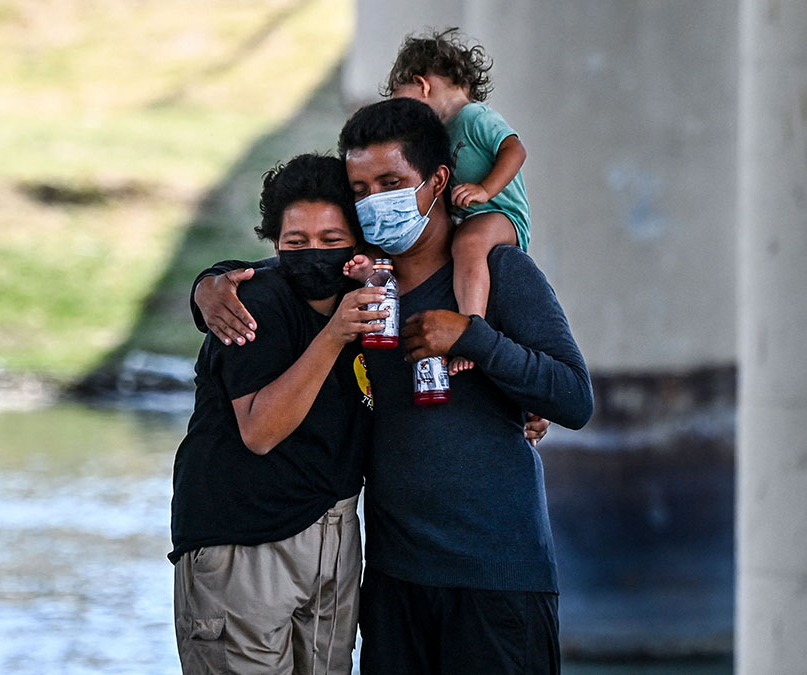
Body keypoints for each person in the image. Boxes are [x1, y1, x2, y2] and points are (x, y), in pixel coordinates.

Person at [195, 98, 593, 673]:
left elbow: (574, 398)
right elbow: (280, 264)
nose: (374, 201)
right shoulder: (350, 284)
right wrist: (206, 288)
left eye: (391, 181)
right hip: (392, 585)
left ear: (437, 181)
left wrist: (473, 338)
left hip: (498, 581)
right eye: (360, 189)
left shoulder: (500, 272)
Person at [170, 153, 387, 675]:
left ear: (358, 242)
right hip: (244, 541)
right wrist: (335, 334)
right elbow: (261, 431)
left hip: (333, 532)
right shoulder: (253, 306)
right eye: (296, 242)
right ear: (274, 243)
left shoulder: (376, 299)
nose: (314, 254)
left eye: (332, 241)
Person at [385, 28, 531, 375]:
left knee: (469, 243)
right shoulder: (444, 132)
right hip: (472, 217)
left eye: (401, 100)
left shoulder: (475, 116)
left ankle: (472, 332)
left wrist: (485, 189)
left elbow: (514, 149)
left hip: (501, 214)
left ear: (421, 84)